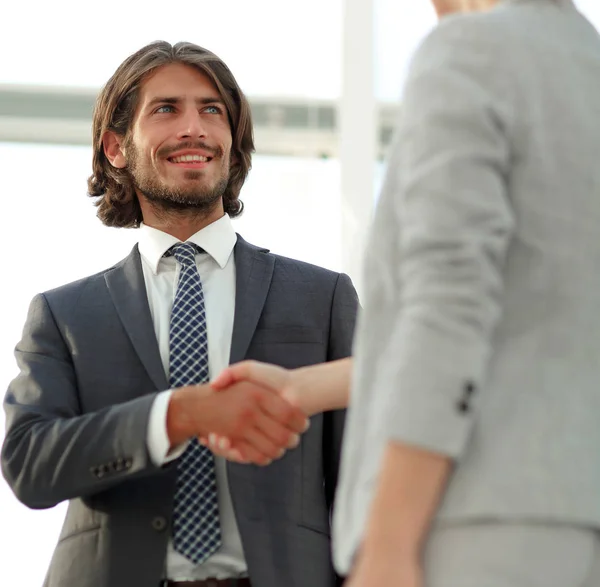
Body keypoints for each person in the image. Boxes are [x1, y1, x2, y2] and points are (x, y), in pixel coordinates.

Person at [209, 0, 600, 585]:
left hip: (468, 519)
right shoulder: (583, 67)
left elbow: (448, 305)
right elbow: (533, 322)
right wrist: (302, 387)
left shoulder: (470, 54)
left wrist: (389, 541)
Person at [0, 41, 359, 587]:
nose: (194, 128)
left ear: (232, 143)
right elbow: (30, 462)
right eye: (166, 109)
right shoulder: (63, 315)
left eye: (211, 110)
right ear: (117, 147)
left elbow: (369, 470)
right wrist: (176, 415)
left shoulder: (322, 296)